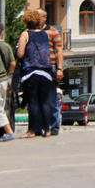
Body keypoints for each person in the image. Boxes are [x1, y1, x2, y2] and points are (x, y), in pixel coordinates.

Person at [16, 9, 58, 138]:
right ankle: (47, 130)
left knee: (33, 102)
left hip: (31, 72)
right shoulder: (45, 34)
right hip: (46, 72)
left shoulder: (25, 34)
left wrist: (18, 49)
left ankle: (32, 131)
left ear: (26, 21)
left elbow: (20, 53)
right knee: (45, 101)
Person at [36, 8, 64, 136]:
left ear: (45, 18)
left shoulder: (53, 32)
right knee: (37, 100)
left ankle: (54, 127)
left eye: (39, 16)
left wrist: (59, 69)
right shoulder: (32, 32)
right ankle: (40, 127)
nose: (36, 18)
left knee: (51, 99)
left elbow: (59, 51)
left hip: (50, 68)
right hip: (36, 69)